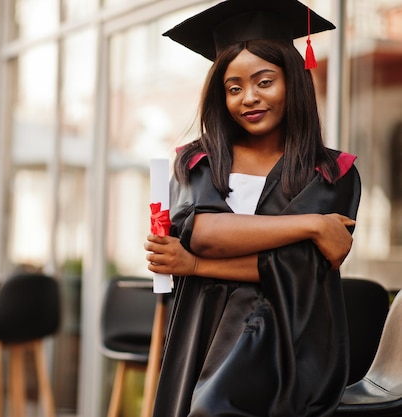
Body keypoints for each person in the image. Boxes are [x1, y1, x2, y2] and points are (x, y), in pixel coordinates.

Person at [144, 0, 361, 416]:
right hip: (203, 326)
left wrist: (194, 265)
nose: (249, 98)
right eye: (234, 88)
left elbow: (300, 267)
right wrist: (313, 224)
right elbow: (203, 233)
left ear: (293, 82)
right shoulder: (199, 160)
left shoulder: (334, 172)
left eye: (264, 82)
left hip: (289, 332)